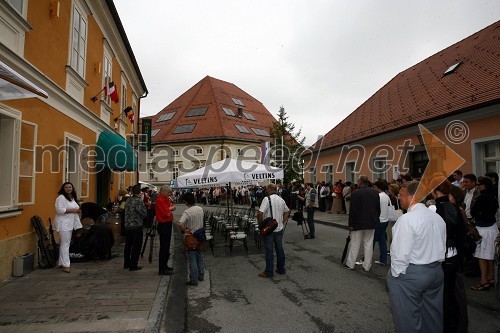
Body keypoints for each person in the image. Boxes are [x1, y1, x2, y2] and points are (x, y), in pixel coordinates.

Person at [387, 180, 446, 333]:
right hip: (436, 271)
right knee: (432, 317)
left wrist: (396, 276)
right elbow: (442, 245)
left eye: (401, 195)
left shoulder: (407, 219)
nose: (399, 198)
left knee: (407, 321)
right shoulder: (437, 218)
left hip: (412, 274)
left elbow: (400, 254)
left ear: (412, 196)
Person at [431, 178, 468, 332]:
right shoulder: (455, 208)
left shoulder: (435, 210)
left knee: (443, 296)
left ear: (435, 191)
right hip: (455, 256)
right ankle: (455, 325)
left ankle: (447, 325)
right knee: (452, 294)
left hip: (442, 258)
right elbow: (461, 234)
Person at [344, 176, 380, 272]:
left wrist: (350, 224)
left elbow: (353, 210)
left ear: (360, 182)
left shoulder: (355, 193)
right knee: (368, 244)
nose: (357, 182)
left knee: (355, 243)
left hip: (358, 223)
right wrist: (375, 220)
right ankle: (367, 266)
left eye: (358, 181)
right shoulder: (375, 192)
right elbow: (378, 209)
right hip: (371, 222)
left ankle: (350, 264)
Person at [470, 176, 499, 291]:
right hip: (492, 228)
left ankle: (483, 281)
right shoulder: (493, 197)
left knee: (481, 256)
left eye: (479, 184)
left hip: (483, 230)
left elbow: (473, 211)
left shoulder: (482, 198)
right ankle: (491, 277)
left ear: (484, 186)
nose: (477, 186)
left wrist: (478, 213)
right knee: (490, 256)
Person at [257, 184, 290, 278]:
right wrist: (282, 221)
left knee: (269, 250)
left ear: (270, 189)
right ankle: (281, 269)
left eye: (267, 188)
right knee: (279, 249)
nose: (266, 190)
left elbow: (260, 213)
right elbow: (287, 211)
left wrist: (260, 225)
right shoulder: (281, 199)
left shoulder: (267, 199)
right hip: (279, 228)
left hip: (269, 229)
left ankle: (269, 272)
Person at [177, 192, 205, 286]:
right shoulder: (200, 209)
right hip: (200, 235)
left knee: (192, 259)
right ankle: (201, 275)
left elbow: (180, 223)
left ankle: (194, 279)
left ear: (186, 201)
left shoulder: (187, 212)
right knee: (200, 256)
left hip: (191, 237)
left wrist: (185, 230)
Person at [54, 182, 83, 273]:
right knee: (65, 243)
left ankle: (61, 262)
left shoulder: (72, 198)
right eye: (66, 187)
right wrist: (74, 211)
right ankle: (66, 265)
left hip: (71, 223)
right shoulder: (61, 198)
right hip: (64, 223)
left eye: (70, 187)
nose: (68, 188)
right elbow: (60, 210)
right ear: (63, 188)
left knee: (65, 243)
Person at [124, 184, 147, 271]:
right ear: (139, 192)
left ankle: (126, 263)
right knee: (136, 246)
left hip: (127, 226)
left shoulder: (128, 200)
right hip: (136, 226)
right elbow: (144, 214)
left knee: (128, 246)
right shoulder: (139, 201)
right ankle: (133, 265)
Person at [156, 185, 176, 275]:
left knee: (167, 246)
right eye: (168, 192)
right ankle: (162, 269)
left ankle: (165, 265)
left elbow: (172, 207)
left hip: (167, 224)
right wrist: (170, 209)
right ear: (163, 191)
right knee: (164, 247)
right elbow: (166, 213)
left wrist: (170, 209)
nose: (169, 194)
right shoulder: (160, 200)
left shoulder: (165, 199)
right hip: (163, 224)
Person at [373, 180, 390, 266]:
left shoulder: (378, 196)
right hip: (385, 220)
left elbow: (374, 209)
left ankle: (365, 259)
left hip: (378, 221)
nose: (374, 188)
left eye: (375, 187)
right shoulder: (386, 196)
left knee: (371, 241)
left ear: (378, 187)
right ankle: (383, 259)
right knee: (382, 240)